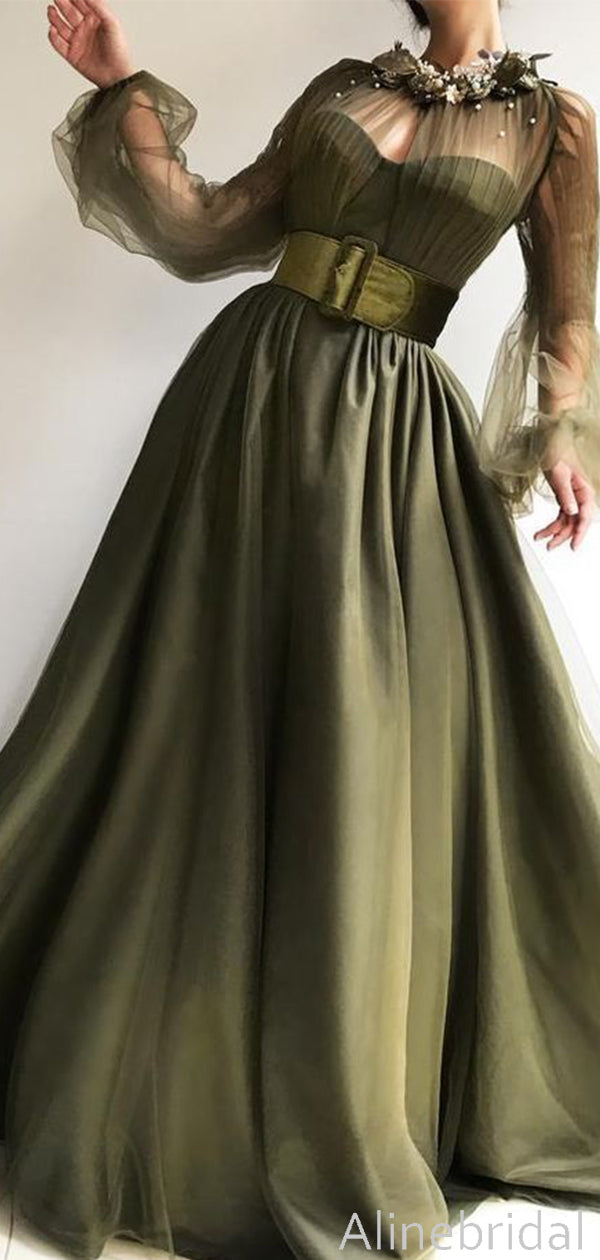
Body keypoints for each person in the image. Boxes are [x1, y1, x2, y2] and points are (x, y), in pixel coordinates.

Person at [1, 0, 600, 1257]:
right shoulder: (345, 82)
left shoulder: (553, 128)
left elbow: (566, 317)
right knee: (186, 719)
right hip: (248, 401)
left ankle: (332, 1088)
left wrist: (565, 435)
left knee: (353, 739)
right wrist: (122, 83)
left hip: (390, 446)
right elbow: (211, 225)